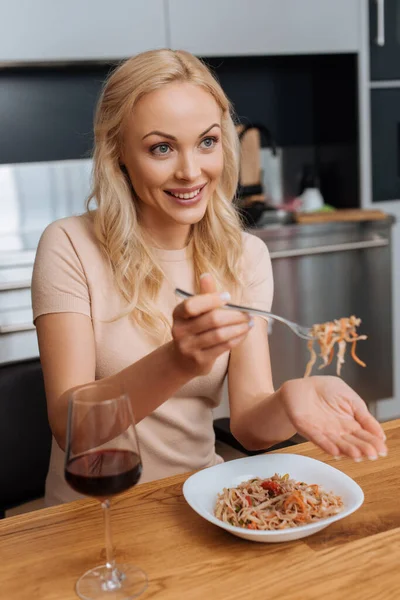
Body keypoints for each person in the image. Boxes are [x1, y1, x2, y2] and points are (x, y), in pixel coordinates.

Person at [31, 49, 387, 507]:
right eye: (162, 148)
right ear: (118, 153)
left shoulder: (244, 256)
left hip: (200, 504)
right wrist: (179, 360)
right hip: (91, 512)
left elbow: (250, 428)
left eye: (207, 142)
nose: (191, 170)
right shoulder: (69, 245)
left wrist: (289, 400)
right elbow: (69, 425)